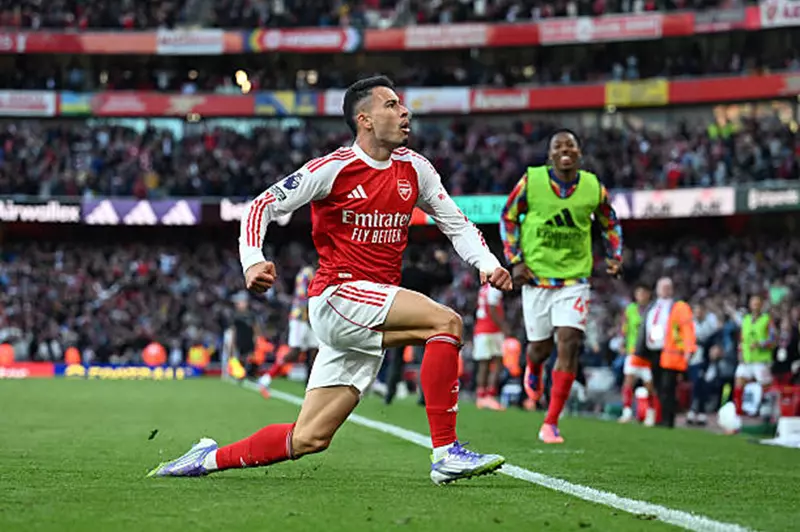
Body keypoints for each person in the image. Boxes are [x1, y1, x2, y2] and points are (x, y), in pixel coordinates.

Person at [148, 75, 513, 485]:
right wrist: (252, 260)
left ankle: (207, 458)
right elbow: (261, 206)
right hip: (339, 297)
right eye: (391, 105)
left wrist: (486, 262)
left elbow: (456, 223)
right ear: (365, 119)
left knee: (309, 438)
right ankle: (446, 453)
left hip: (371, 305)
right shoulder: (333, 168)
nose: (404, 111)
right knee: (445, 322)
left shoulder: (416, 168)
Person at [500, 129, 623, 443]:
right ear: (550, 155)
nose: (565, 149)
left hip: (574, 280)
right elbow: (508, 217)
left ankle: (551, 421)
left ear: (579, 153)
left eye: (570, 145)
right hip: (537, 278)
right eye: (558, 146)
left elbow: (609, 221)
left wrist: (614, 256)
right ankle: (533, 365)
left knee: (569, 342)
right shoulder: (531, 181)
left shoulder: (593, 186)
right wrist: (515, 260)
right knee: (540, 348)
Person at [383, 247, 453, 405]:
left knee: (396, 359)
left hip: (400, 320)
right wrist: (444, 263)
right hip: (421, 320)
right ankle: (423, 396)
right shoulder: (424, 275)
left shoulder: (401, 275)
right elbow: (447, 279)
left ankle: (389, 394)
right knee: (423, 360)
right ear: (421, 260)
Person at [636, 277, 696, 428]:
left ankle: (667, 420)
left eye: (667, 287)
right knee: (657, 386)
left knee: (667, 386)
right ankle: (660, 416)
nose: (664, 290)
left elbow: (687, 329)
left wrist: (688, 349)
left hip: (669, 352)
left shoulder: (677, 307)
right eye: (662, 287)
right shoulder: (652, 306)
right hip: (652, 350)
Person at [259, 261, 319, 395]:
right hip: (300, 318)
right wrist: (310, 314)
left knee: (314, 351)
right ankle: (266, 377)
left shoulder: (315, 273)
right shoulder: (306, 274)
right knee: (295, 351)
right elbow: (303, 297)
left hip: (311, 318)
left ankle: (310, 386)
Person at [618, 282, 657, 426]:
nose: (641, 296)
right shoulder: (630, 309)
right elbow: (625, 328)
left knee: (650, 385)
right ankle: (627, 412)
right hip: (633, 351)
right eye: (638, 293)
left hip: (648, 353)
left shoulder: (653, 310)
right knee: (628, 381)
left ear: (648, 294)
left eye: (643, 293)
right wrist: (623, 342)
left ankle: (650, 413)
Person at [733, 294, 776, 415]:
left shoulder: (767, 320)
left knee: (765, 386)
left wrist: (760, 344)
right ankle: (739, 411)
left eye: (757, 303)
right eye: (753, 303)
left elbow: (773, 339)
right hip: (747, 359)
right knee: (739, 381)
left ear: (761, 305)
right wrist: (740, 352)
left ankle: (766, 412)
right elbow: (742, 339)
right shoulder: (746, 319)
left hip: (761, 360)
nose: (755, 306)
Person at [472, 282, 510, 410]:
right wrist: (504, 327)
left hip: (481, 328)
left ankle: (481, 396)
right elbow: (492, 309)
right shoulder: (494, 289)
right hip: (492, 330)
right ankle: (489, 395)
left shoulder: (483, 288)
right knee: (497, 363)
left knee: (484, 364)